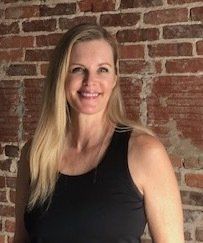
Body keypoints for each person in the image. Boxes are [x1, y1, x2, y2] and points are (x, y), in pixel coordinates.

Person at [14, 23, 184, 243]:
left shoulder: (145, 152)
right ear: (61, 77)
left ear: (114, 78)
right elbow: (20, 239)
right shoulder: (34, 154)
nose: (90, 82)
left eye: (102, 69)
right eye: (77, 69)